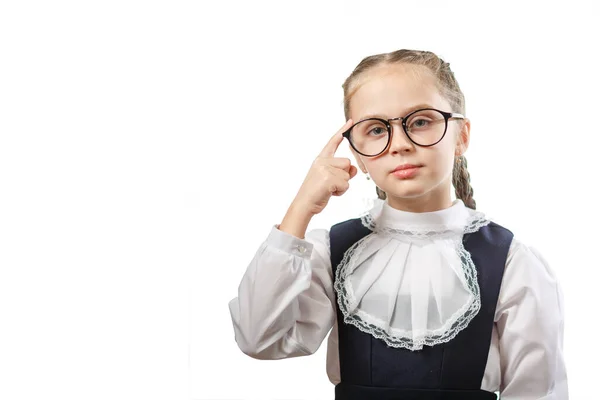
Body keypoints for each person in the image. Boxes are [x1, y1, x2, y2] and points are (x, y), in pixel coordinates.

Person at [228, 49, 568, 399]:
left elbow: (538, 391)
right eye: (376, 129)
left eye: (420, 121)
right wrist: (301, 208)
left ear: (461, 135)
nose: (400, 145)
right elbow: (258, 338)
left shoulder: (511, 261)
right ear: (357, 153)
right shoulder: (332, 251)